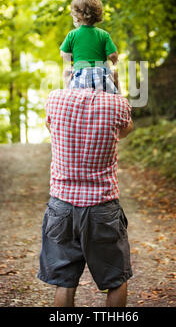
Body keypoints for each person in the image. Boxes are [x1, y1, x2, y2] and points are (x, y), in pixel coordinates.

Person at [37, 87, 133, 307]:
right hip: (102, 206)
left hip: (62, 205)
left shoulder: (55, 99)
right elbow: (126, 129)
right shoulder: (117, 103)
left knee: (64, 282)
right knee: (116, 280)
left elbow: (50, 126)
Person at [60, 0, 120, 94]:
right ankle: (118, 98)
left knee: (66, 72)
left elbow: (64, 55)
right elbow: (113, 55)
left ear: (76, 15)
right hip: (102, 77)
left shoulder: (72, 35)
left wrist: (72, 61)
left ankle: (67, 94)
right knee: (114, 74)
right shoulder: (103, 34)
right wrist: (114, 61)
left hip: (79, 78)